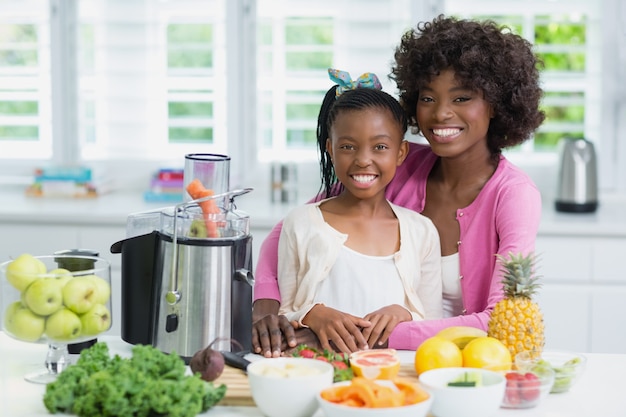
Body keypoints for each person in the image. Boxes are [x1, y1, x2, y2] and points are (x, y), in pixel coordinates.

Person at [252, 14, 544, 357]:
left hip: (464, 364)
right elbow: (291, 230)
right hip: (376, 361)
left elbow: (498, 321)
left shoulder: (513, 196)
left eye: (462, 98)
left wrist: (372, 335)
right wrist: (266, 314)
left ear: (497, 103)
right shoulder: (396, 163)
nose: (440, 114)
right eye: (428, 98)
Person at [275, 69, 442, 354]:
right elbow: (284, 317)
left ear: (401, 153)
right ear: (330, 149)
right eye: (348, 147)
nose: (363, 160)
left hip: (391, 381)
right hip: (318, 373)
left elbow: (431, 326)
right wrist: (312, 314)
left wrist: (404, 314)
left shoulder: (422, 231)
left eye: (380, 147)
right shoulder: (301, 223)